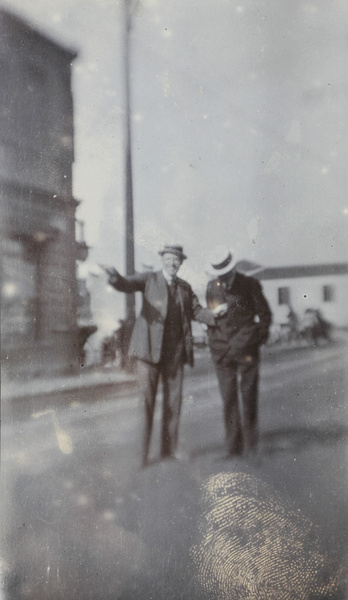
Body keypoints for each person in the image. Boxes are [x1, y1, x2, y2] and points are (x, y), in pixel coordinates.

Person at [105, 244, 219, 467]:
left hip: (175, 353)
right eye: (168, 258)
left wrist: (215, 315)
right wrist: (114, 277)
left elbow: (196, 311)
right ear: (162, 260)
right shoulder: (149, 279)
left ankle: (170, 450)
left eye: (176, 260)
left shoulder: (184, 288)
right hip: (148, 352)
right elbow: (126, 283)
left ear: (181, 263)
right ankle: (142, 456)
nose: (172, 263)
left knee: (173, 403)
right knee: (146, 403)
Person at [205, 246, 272, 457]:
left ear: (232, 270)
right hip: (221, 352)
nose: (222, 280)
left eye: (224, 275)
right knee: (228, 399)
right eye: (218, 276)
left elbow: (265, 316)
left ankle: (251, 444)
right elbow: (212, 320)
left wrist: (255, 340)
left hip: (247, 350)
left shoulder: (250, 285)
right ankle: (233, 447)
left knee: (248, 396)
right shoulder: (211, 287)